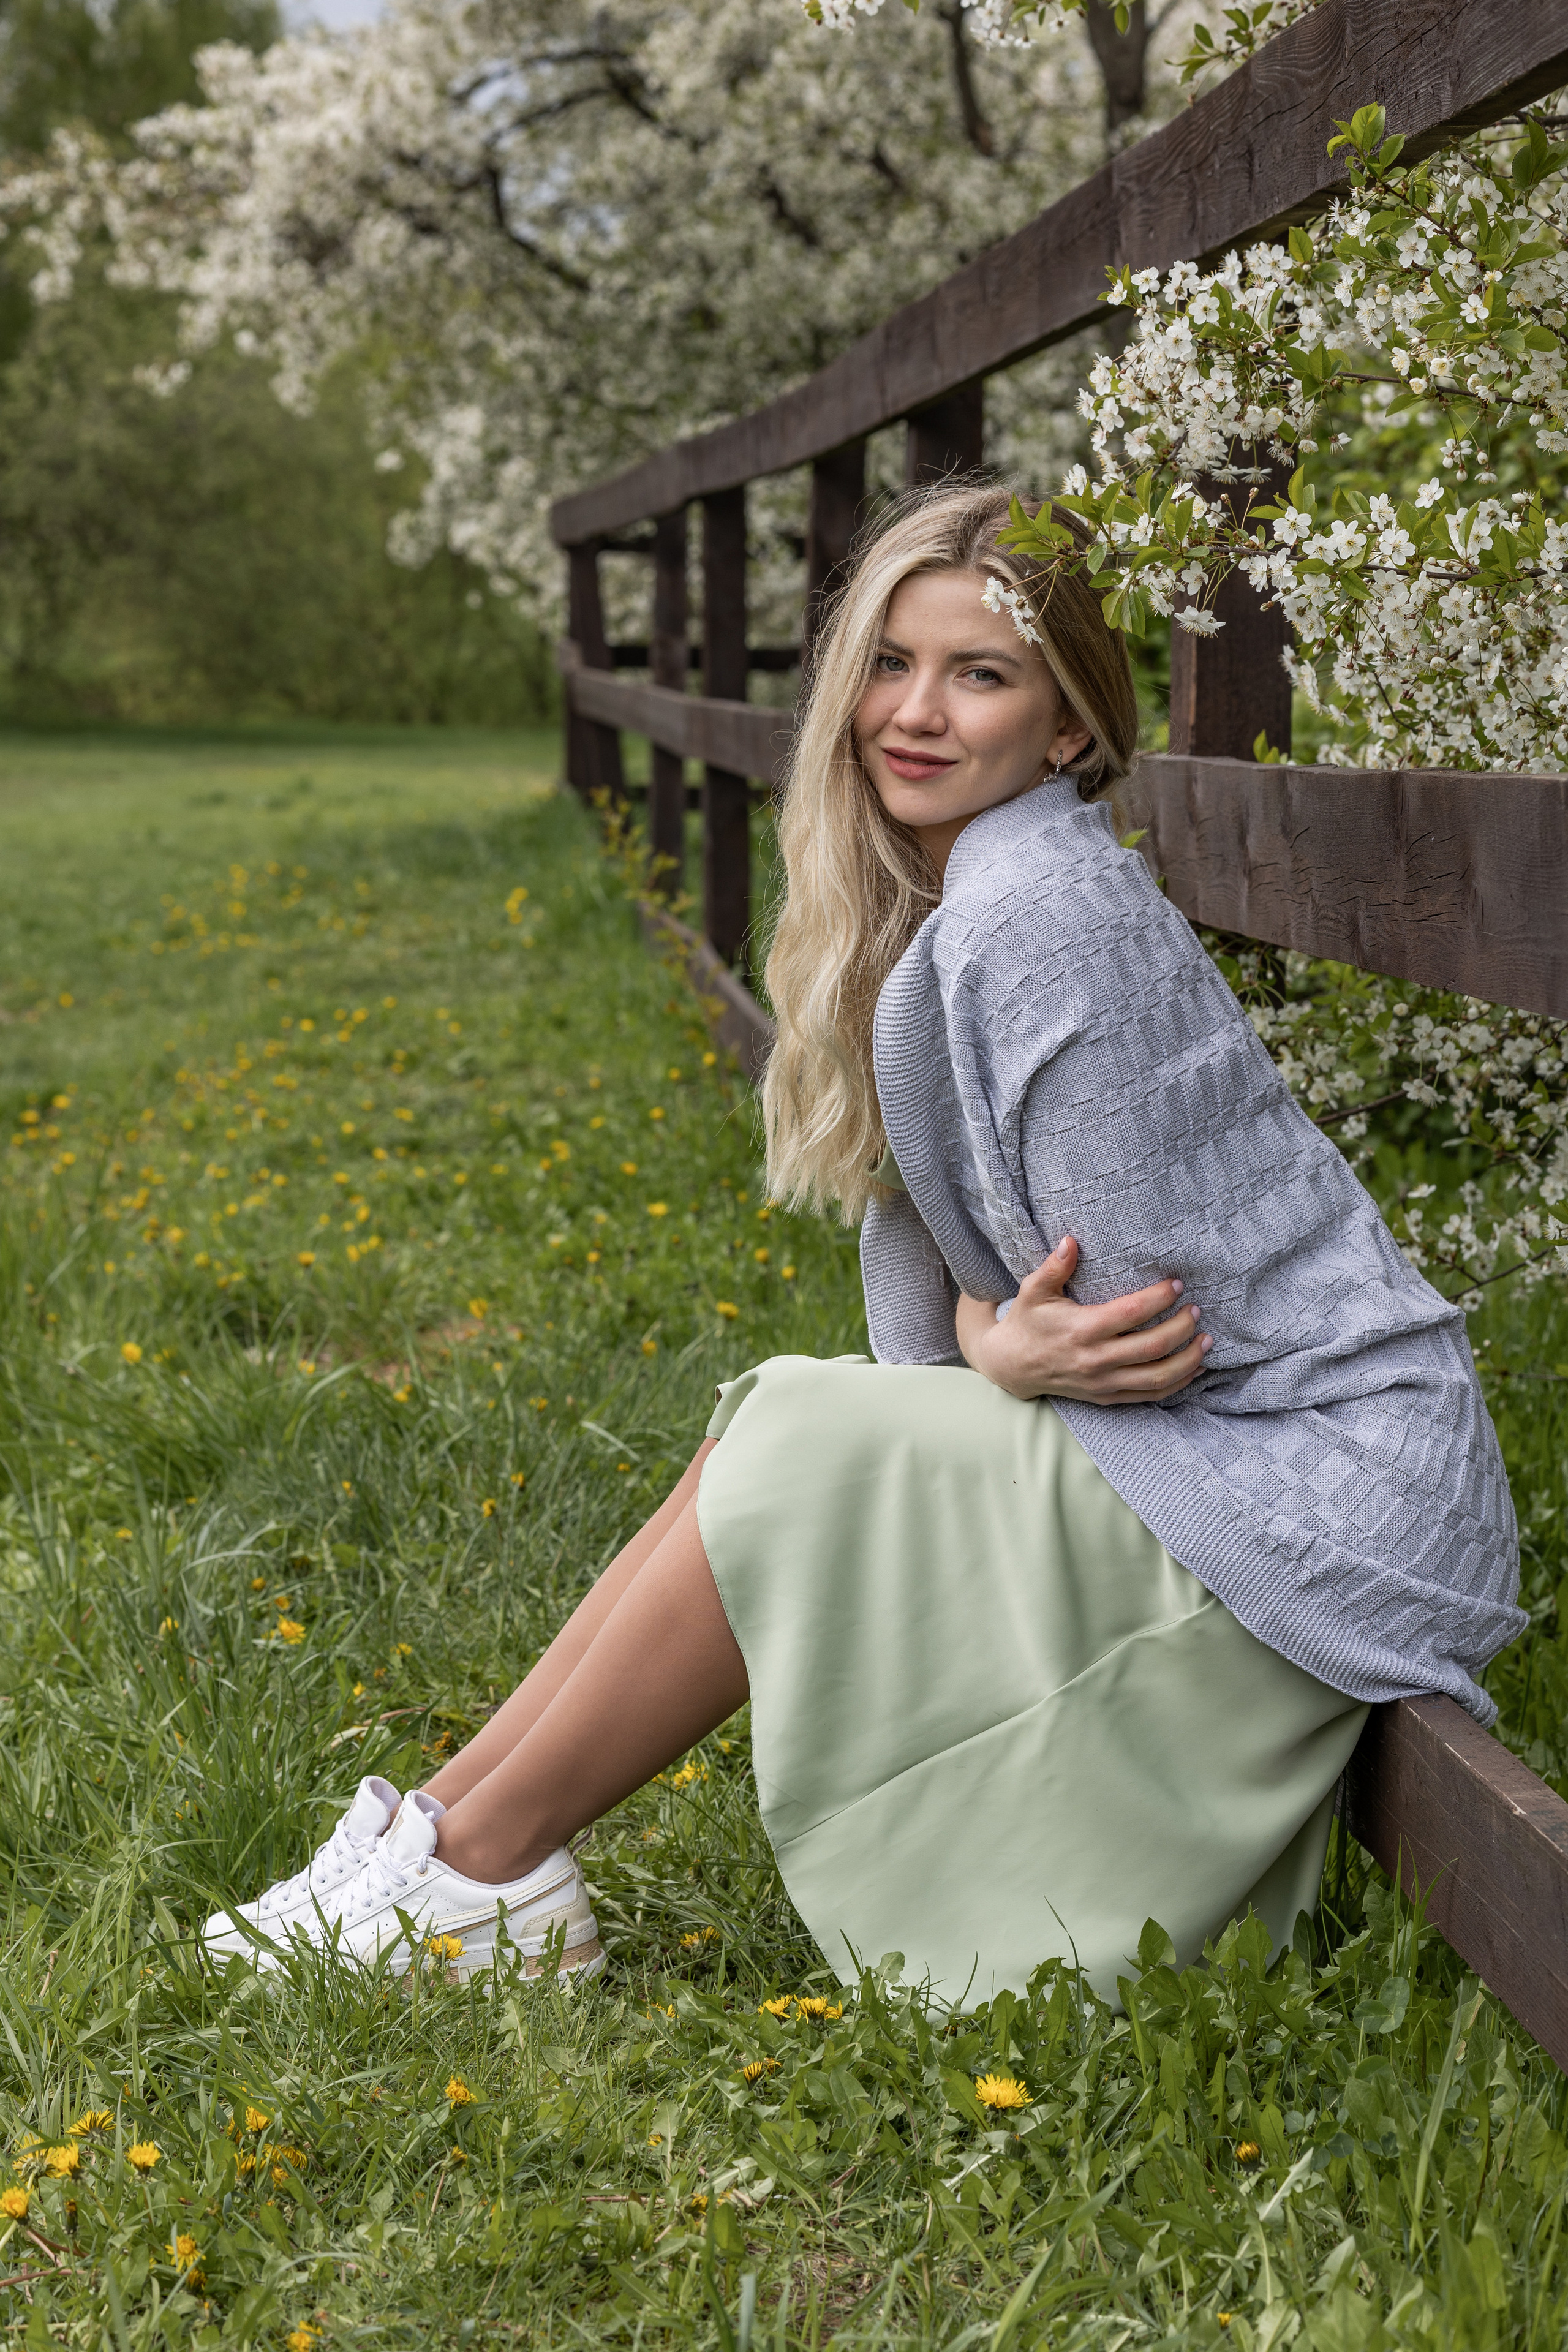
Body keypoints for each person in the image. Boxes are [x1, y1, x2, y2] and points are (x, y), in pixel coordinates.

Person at [203, 482, 1523, 2002]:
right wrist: (992, 1344)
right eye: (890, 662)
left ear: (1069, 729)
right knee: (778, 1423)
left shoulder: (1042, 917)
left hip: (1329, 1488)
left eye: (979, 675)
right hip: (1263, 1446)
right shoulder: (969, 894)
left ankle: (477, 1870)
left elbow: (1143, 1335)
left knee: (800, 1440)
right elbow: (1000, 1321)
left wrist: (1000, 1349)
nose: (913, 713)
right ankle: (445, 1838)